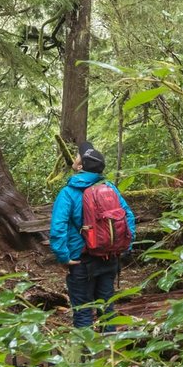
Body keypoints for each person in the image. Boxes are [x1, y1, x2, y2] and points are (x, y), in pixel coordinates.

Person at [49, 141, 136, 329]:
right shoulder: (110, 188)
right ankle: (112, 355)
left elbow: (58, 227)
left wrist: (63, 256)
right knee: (107, 309)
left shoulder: (68, 193)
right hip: (109, 257)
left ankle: (86, 356)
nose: (75, 157)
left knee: (83, 312)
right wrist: (124, 245)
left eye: (78, 156)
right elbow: (128, 215)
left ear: (80, 166)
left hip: (81, 260)